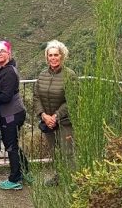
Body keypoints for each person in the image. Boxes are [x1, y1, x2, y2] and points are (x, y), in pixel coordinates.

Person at [31, 40, 77, 185]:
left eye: (56, 55)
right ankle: (59, 177)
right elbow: (36, 97)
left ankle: (71, 181)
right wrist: (44, 116)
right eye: (50, 55)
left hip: (65, 121)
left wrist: (56, 116)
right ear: (47, 57)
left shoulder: (70, 75)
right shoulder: (42, 74)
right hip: (48, 122)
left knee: (67, 152)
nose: (53, 58)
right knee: (55, 151)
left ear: (62, 56)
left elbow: (72, 100)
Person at [0, 40, 28, 190]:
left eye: (3, 51)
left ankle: (15, 179)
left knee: (10, 146)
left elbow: (6, 97)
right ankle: (25, 172)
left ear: (9, 54)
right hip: (6, 113)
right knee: (13, 144)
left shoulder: (9, 71)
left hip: (12, 114)